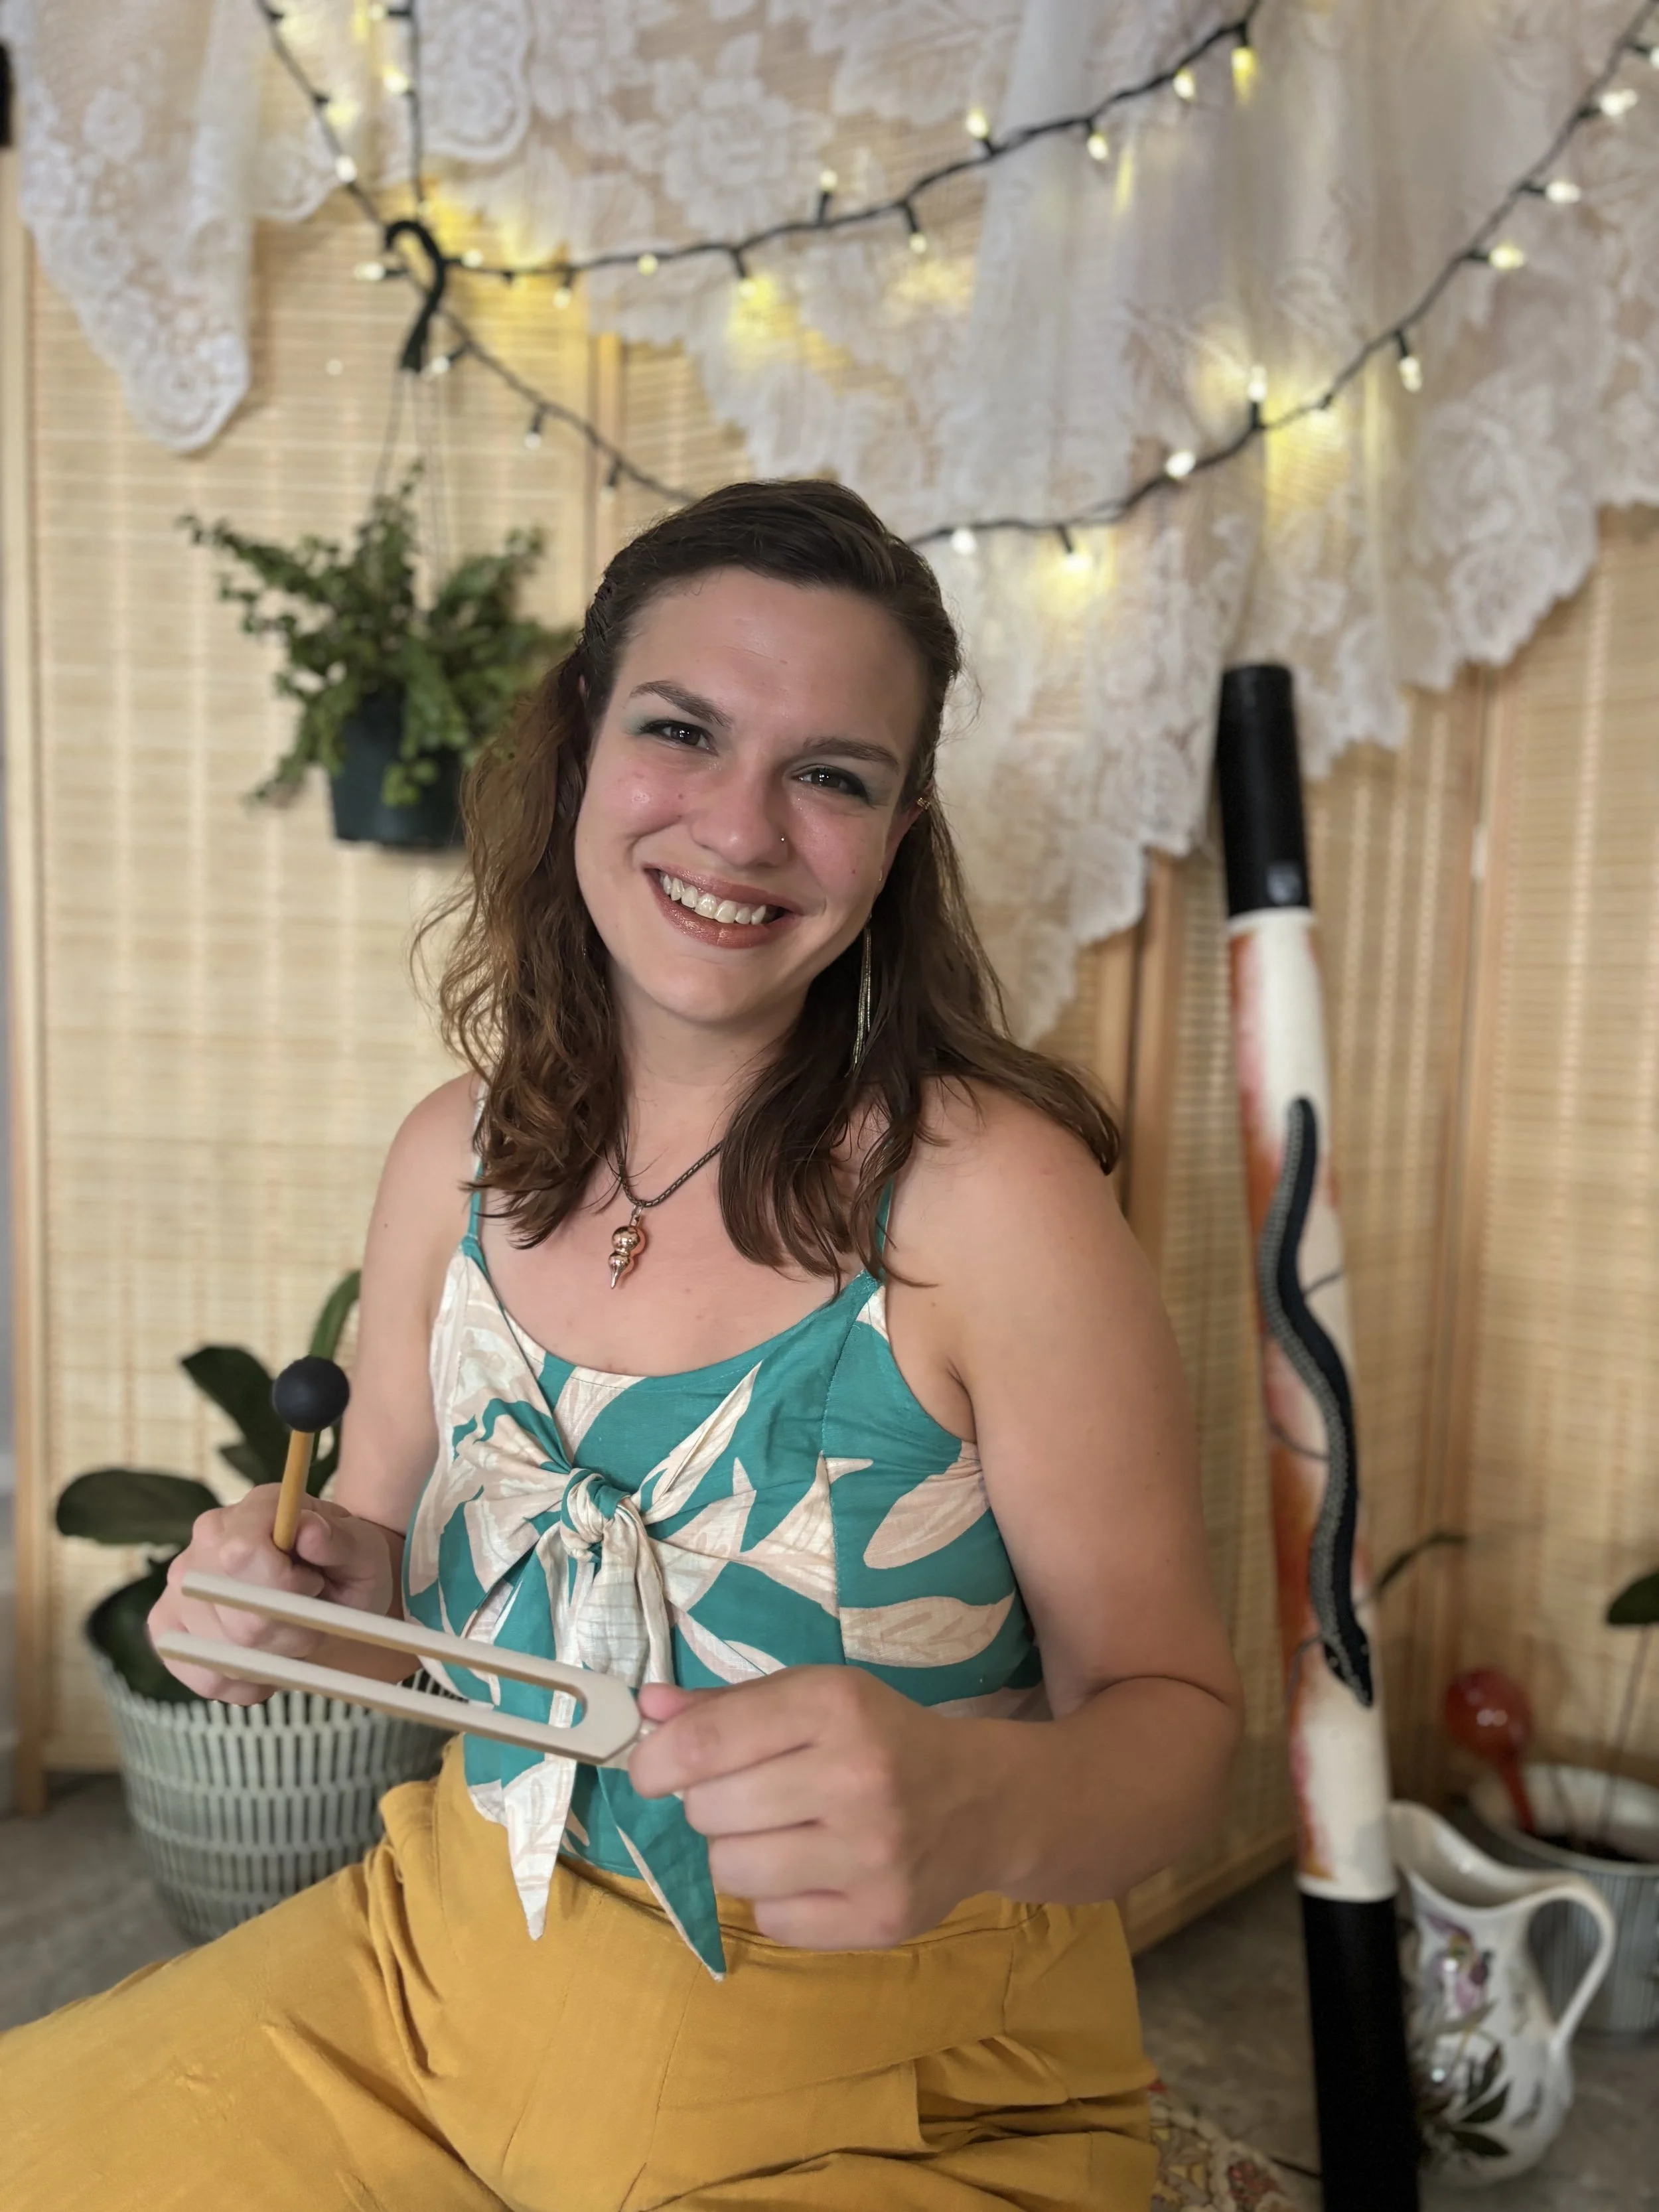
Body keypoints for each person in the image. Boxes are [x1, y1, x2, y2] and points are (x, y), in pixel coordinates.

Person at [0, 479, 1243, 2210]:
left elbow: (1177, 1721)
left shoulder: (993, 1206)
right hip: (433, 1981)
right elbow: (362, 1530)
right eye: (682, 730)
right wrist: (287, 1577)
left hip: (899, 2080)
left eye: (830, 773)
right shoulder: (452, 1154)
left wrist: (985, 1800)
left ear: (898, 832)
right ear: (582, 743)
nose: (739, 828)